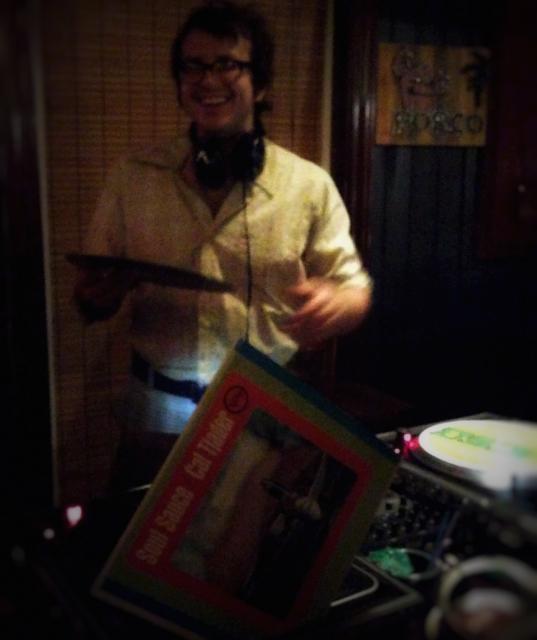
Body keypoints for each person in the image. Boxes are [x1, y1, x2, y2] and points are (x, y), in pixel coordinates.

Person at [73, 1, 372, 488]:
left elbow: (354, 289)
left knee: (255, 536)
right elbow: (91, 298)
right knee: (143, 534)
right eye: (193, 66)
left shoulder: (309, 186)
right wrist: (95, 297)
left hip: (267, 418)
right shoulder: (131, 178)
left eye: (227, 64)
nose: (207, 79)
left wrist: (339, 303)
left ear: (262, 83)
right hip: (154, 420)